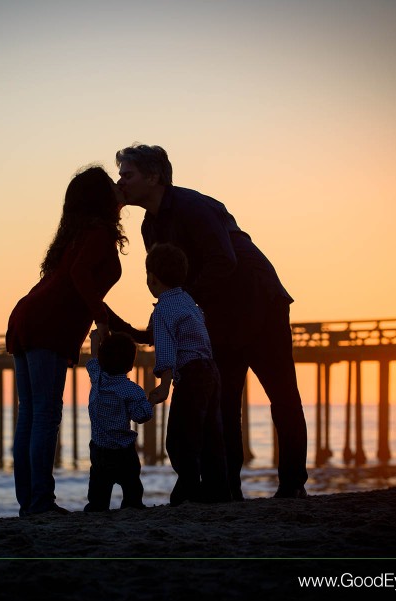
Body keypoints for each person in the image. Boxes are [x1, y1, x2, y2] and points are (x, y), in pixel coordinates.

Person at [113, 144, 308, 500]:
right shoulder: (150, 227)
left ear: (153, 176)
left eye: (127, 174)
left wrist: (183, 303)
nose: (120, 181)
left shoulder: (193, 206)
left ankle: (293, 485)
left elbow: (224, 260)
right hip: (216, 315)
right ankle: (228, 489)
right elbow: (167, 287)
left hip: (260, 302)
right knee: (224, 402)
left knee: (282, 396)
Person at [6, 165, 127, 516]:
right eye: (110, 185)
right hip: (48, 325)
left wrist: (132, 331)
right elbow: (80, 279)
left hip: (27, 316)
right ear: (101, 198)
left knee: (30, 413)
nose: (117, 188)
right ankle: (40, 502)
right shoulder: (99, 233)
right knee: (44, 413)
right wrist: (103, 322)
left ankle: (30, 503)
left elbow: (87, 294)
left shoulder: (78, 236)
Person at [119, 242, 230, 506]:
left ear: (152, 278)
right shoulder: (188, 301)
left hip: (191, 375)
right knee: (211, 435)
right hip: (211, 372)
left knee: (180, 440)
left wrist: (164, 385)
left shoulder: (163, 311)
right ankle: (218, 491)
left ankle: (188, 492)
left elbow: (166, 350)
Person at [83, 329, 153, 512]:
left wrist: (95, 339)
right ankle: (132, 505)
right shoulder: (132, 390)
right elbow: (141, 416)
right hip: (124, 450)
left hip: (99, 449)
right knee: (132, 485)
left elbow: (93, 359)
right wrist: (151, 401)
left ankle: (97, 507)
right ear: (130, 365)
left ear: (102, 360)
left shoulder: (97, 378)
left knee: (98, 484)